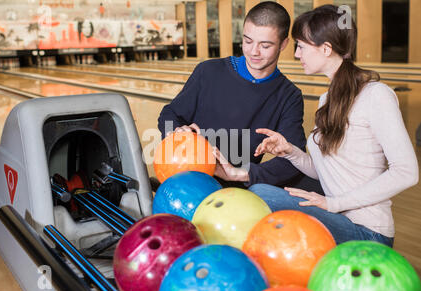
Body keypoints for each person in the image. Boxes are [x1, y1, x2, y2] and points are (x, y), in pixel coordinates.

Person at [249, 5, 419, 247]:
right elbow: (327, 173)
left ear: (326, 49)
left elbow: (406, 172)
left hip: (368, 232)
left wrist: (333, 204)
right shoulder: (326, 100)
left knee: (260, 194)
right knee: (265, 187)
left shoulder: (375, 95)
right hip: (339, 219)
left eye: (301, 47)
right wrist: (291, 152)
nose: (297, 54)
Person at [158, 2, 321, 192]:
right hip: (190, 178)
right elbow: (170, 113)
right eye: (248, 41)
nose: (254, 52)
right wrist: (177, 131)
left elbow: (291, 161)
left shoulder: (289, 96)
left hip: (236, 188)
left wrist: (241, 173)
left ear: (283, 44)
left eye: (265, 45)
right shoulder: (209, 71)